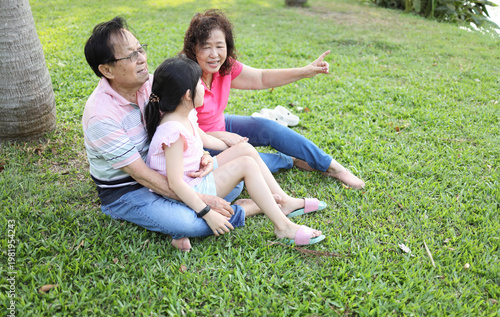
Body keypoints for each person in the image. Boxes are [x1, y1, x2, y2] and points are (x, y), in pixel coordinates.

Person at [82, 17, 254, 252]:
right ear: (106, 69)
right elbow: (141, 176)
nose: (142, 58)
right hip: (129, 189)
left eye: (140, 49)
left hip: (169, 172)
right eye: (131, 56)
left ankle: (198, 207)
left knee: (232, 177)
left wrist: (201, 153)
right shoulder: (100, 116)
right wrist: (203, 202)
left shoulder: (151, 84)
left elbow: (186, 122)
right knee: (188, 222)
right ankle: (245, 208)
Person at [144, 56, 326, 246]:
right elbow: (175, 183)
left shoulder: (184, 114)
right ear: (188, 95)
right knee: (246, 165)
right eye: (199, 83)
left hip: (195, 175)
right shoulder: (173, 133)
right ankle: (283, 227)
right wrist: (206, 212)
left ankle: (286, 202)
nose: (204, 88)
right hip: (191, 190)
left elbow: (204, 139)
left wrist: (236, 146)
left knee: (245, 151)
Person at [181, 9, 365, 189]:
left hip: (221, 125)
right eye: (206, 47)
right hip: (202, 146)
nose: (214, 54)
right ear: (193, 49)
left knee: (267, 127)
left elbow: (262, 78)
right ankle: (291, 160)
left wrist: (305, 71)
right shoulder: (184, 76)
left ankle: (334, 167)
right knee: (250, 158)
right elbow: (178, 128)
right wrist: (219, 136)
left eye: (220, 46)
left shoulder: (225, 66)